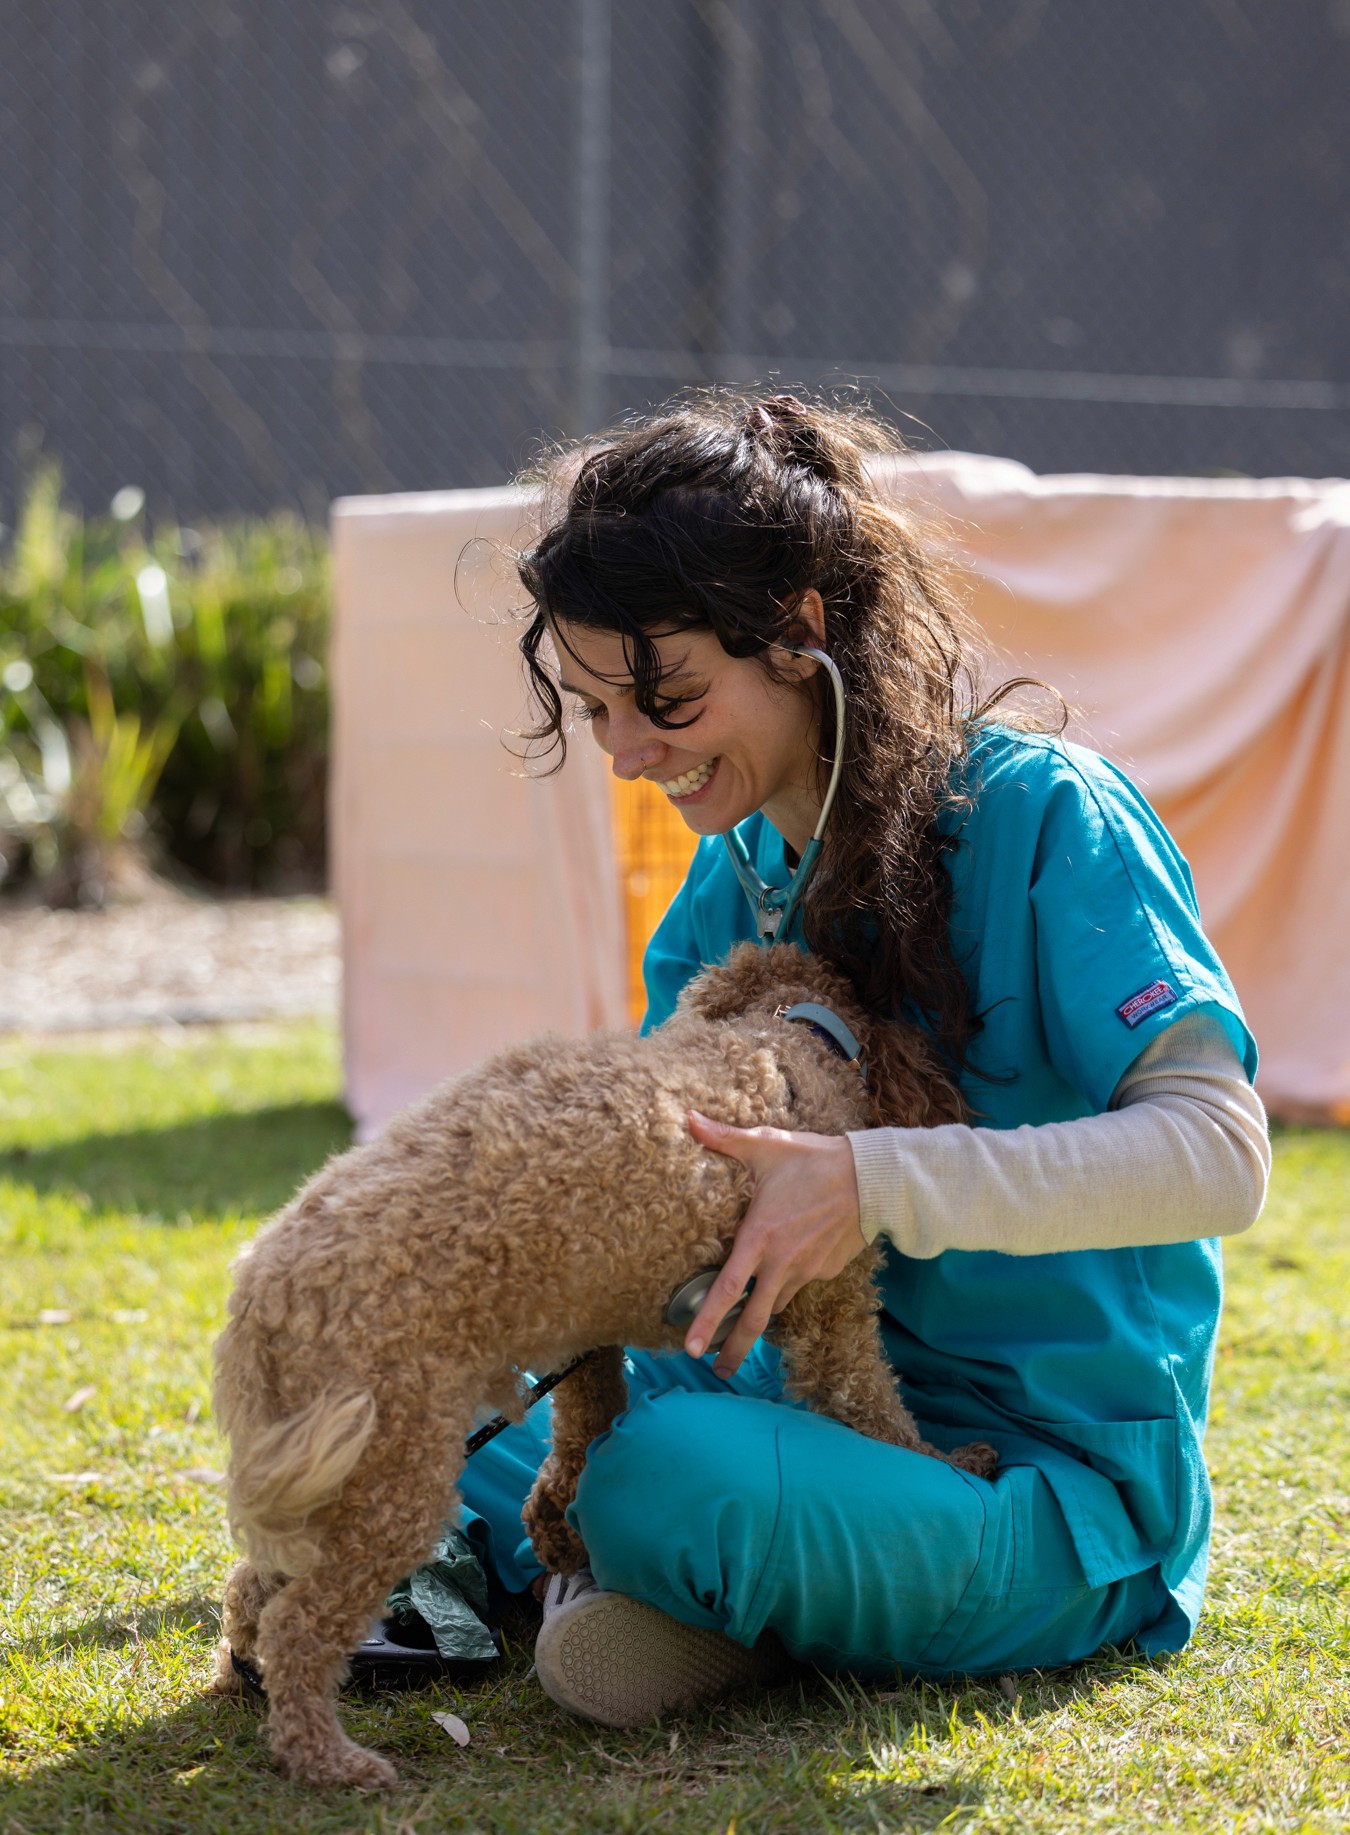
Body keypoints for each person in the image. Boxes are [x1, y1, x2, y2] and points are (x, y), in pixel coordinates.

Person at [452, 390, 1270, 1727]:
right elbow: (688, 1245)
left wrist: (868, 1183)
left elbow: (1219, 1160)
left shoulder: (1042, 814)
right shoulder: (716, 904)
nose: (626, 753)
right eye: (597, 708)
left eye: (665, 698)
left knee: (659, 1475)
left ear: (800, 631)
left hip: (1046, 1492)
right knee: (436, 1415)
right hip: (792, 1418)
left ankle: (677, 1581)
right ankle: (722, 1599)